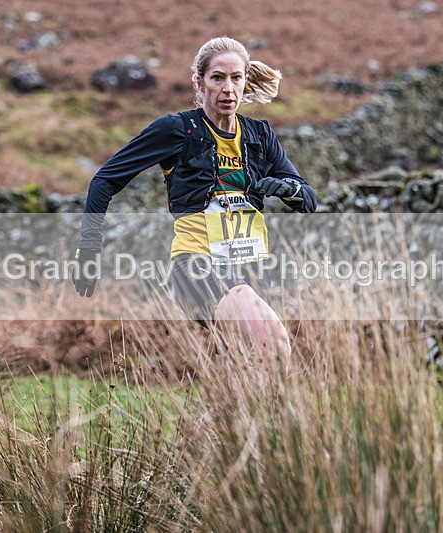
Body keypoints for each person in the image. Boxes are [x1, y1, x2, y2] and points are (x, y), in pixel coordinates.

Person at [73, 36, 316, 365]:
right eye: (218, 78)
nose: (228, 88)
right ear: (199, 83)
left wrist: (287, 188)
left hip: (251, 268)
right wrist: (88, 248)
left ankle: (240, 416)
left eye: (236, 78)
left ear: (246, 80)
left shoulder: (260, 135)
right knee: (271, 339)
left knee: (255, 360)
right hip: (196, 265)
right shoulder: (179, 130)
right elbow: (105, 179)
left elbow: (308, 200)